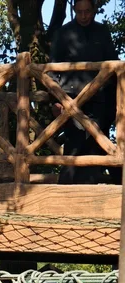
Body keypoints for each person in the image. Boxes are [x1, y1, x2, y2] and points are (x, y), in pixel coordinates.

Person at [49, 0, 118, 184]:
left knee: (97, 143)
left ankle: (91, 191)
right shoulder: (63, 33)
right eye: (79, 12)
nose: (84, 15)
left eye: (87, 11)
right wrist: (57, 99)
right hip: (71, 99)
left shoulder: (102, 32)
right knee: (74, 145)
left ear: (94, 10)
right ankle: (65, 191)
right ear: (74, 10)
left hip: (100, 100)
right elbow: (51, 70)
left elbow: (114, 65)